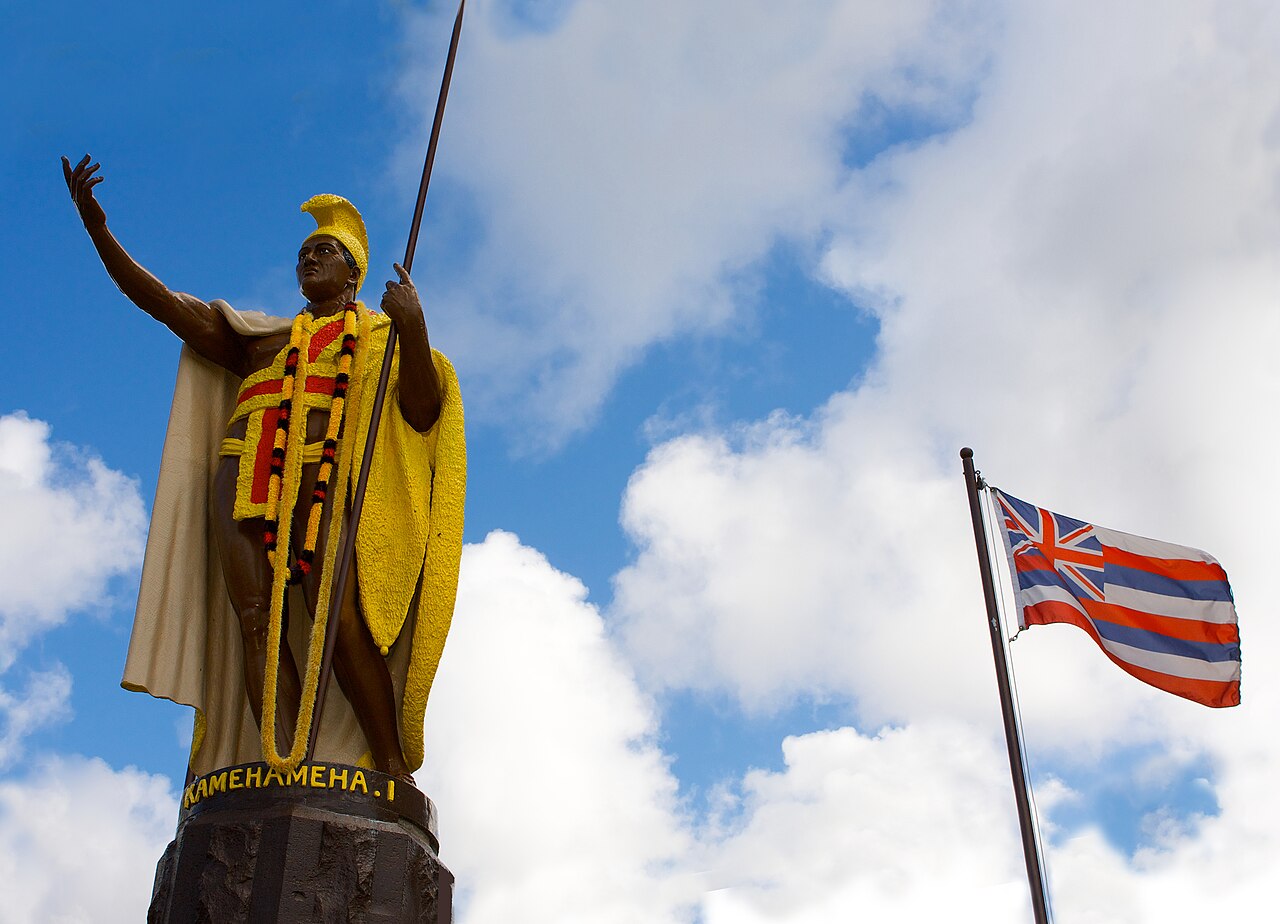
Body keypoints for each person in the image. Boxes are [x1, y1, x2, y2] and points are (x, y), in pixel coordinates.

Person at [62, 154, 466, 780]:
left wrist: (413, 332)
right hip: (242, 479)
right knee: (256, 621)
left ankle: (389, 766)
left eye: (324, 250)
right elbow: (167, 306)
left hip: (322, 480)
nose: (308, 259)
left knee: (335, 609)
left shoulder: (380, 339)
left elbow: (421, 410)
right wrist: (97, 231)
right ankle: (278, 760)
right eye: (304, 252)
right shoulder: (262, 342)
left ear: (353, 273)